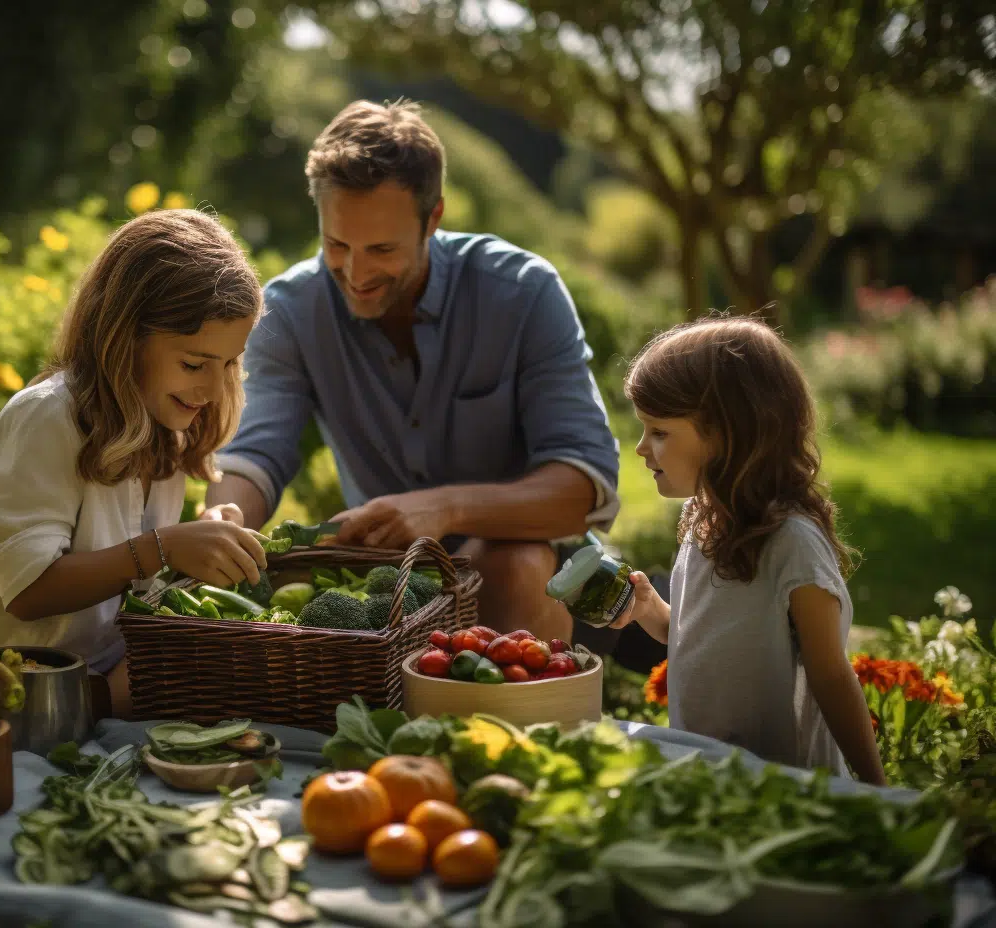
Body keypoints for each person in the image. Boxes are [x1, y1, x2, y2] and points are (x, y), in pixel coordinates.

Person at [204, 100, 621, 643]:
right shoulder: (291, 310)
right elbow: (256, 453)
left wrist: (444, 509)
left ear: (434, 218)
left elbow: (582, 487)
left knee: (508, 564)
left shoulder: (523, 292)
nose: (356, 273)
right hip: (390, 576)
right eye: (337, 244)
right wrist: (224, 520)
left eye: (381, 248)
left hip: (523, 560)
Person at [0, 209, 269, 718]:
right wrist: (164, 549)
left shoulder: (169, 430)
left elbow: (129, 581)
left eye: (230, 363)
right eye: (195, 364)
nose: (215, 388)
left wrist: (200, 542)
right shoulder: (47, 418)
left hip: (91, 690)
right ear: (123, 338)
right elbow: (29, 590)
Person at [610, 315, 886, 783]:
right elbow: (699, 638)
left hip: (785, 784)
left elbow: (831, 677)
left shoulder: (792, 544)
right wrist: (651, 610)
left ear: (725, 436)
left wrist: (876, 789)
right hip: (710, 771)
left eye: (659, 432)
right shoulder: (700, 521)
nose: (640, 448)